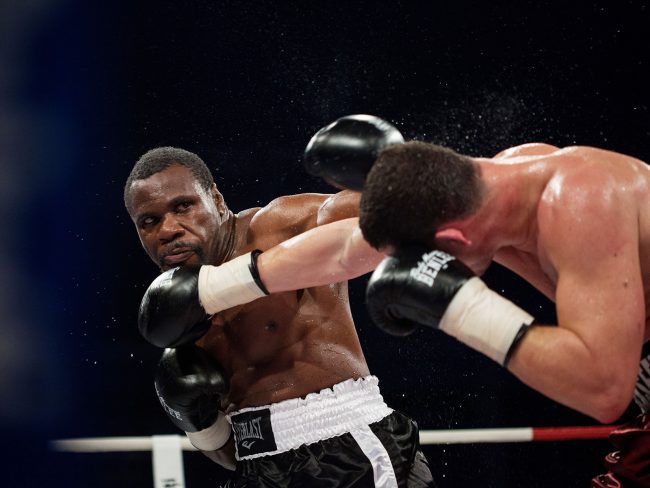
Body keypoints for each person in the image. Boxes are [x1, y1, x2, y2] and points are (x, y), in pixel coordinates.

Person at [183, 115, 650, 487]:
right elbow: (344, 248)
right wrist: (215, 288)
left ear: (446, 238)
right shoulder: (502, 176)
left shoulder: (584, 204)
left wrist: (461, 305)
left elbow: (606, 390)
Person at [124, 146, 435, 488]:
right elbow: (233, 455)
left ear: (217, 199)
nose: (167, 230)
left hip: (350, 451)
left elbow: (392, 210)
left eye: (183, 206)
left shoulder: (276, 228)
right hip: (259, 471)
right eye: (148, 222)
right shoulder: (175, 316)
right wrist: (199, 424)